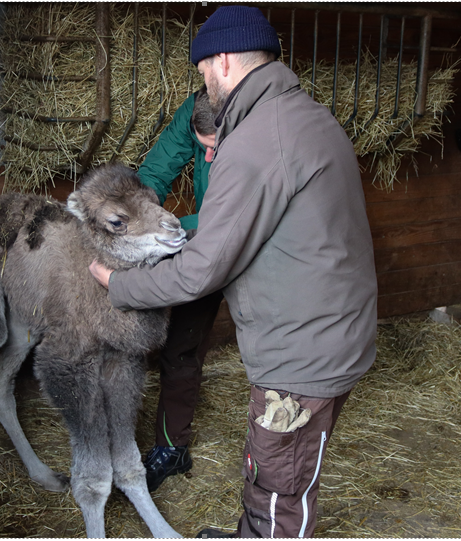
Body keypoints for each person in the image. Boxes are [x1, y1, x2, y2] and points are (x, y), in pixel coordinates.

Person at [91, 5, 378, 538]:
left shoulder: (256, 140)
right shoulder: (307, 115)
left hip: (302, 353)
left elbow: (201, 270)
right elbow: (159, 172)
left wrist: (119, 284)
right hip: (326, 329)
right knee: (274, 470)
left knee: (278, 487)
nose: (202, 81)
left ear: (222, 60)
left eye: (203, 70)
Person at [136, 86, 224, 492]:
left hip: (263, 246)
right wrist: (138, 218)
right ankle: (172, 449)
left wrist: (174, 231)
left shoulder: (262, 127)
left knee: (273, 352)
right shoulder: (198, 109)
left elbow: (235, 218)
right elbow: (155, 171)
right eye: (201, 146)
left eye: (216, 149)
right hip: (209, 243)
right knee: (181, 343)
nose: (206, 157)